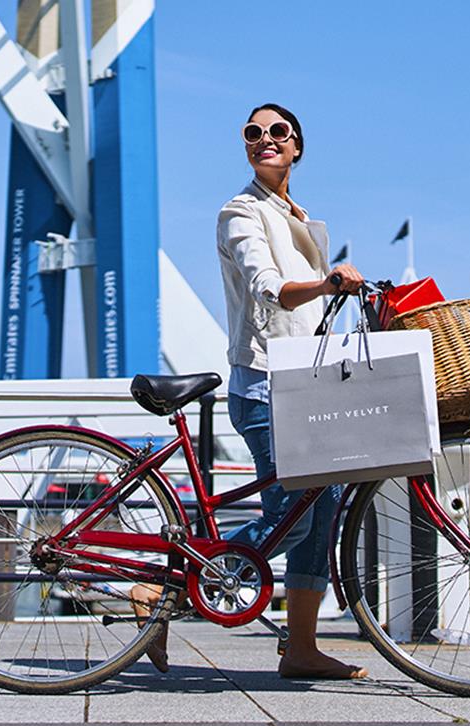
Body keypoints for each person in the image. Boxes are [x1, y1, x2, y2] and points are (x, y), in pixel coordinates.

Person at [130, 103, 368, 680]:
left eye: (277, 132)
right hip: (264, 384)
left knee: (324, 503)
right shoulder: (240, 212)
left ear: (296, 147)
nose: (265, 139)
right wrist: (324, 281)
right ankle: (161, 587)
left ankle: (303, 648)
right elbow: (267, 286)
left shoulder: (297, 215)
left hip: (303, 381)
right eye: (253, 133)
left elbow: (307, 304)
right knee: (295, 515)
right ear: (246, 147)